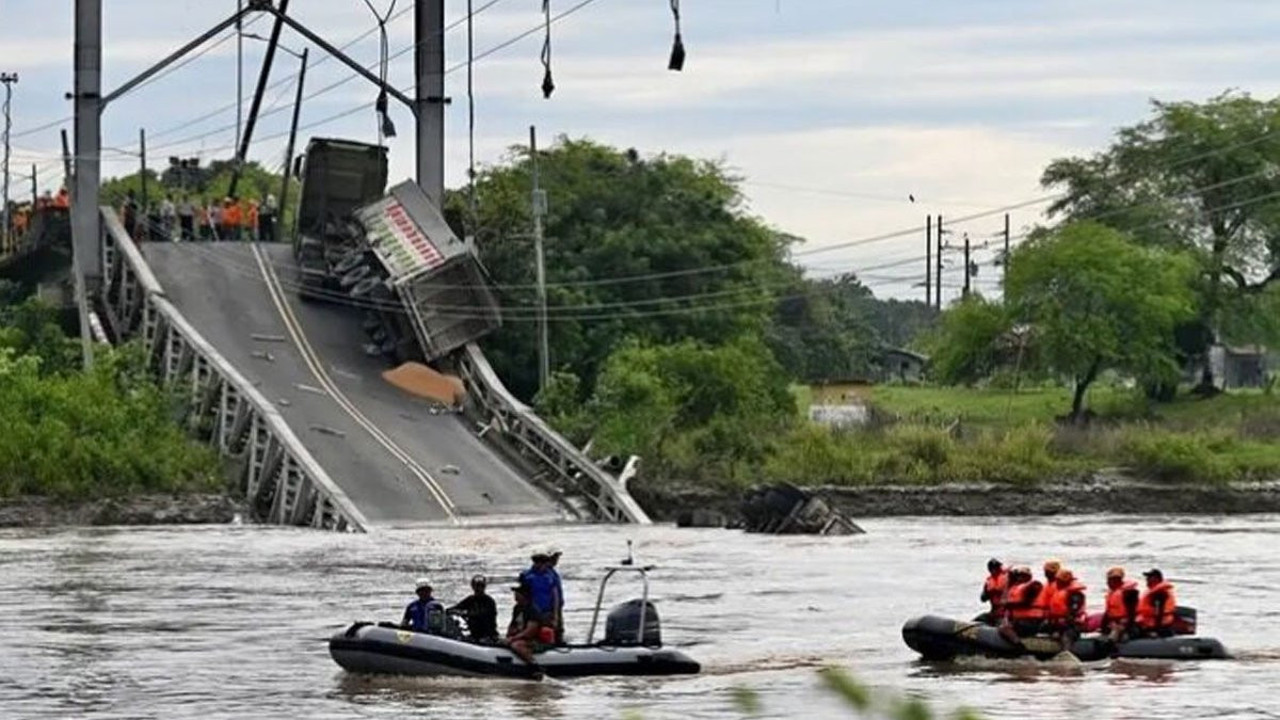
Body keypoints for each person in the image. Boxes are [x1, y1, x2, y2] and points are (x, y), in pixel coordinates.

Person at [505, 582, 547, 680]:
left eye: (517, 593)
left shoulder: (532, 610)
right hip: (521, 637)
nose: (515, 595)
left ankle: (535, 666)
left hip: (535, 639)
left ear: (524, 595)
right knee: (508, 642)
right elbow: (512, 625)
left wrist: (514, 638)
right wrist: (508, 637)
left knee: (516, 645)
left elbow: (530, 631)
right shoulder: (517, 608)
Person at [519, 551, 562, 634]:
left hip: (549, 610)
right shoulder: (527, 576)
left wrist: (556, 614)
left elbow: (555, 595)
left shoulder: (551, 576)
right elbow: (522, 594)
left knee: (552, 631)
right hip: (533, 610)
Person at [1000, 566, 1046, 642]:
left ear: (1029, 576)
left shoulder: (1033, 585)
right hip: (1022, 621)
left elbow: (1026, 602)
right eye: (1019, 576)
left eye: (1023, 576)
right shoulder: (1015, 588)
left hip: (1031, 622)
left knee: (1004, 628)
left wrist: (1009, 604)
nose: (1020, 578)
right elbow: (1003, 600)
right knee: (1004, 625)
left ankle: (1019, 646)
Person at [449, 574, 499, 643]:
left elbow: (483, 615)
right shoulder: (470, 600)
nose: (479, 589)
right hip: (474, 634)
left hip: (487, 634)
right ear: (473, 587)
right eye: (477, 586)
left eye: (481, 586)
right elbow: (456, 608)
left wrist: (465, 614)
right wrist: (452, 611)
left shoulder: (489, 601)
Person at [1045, 568, 1087, 642]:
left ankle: (1066, 651)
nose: (1057, 582)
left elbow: (1073, 613)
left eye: (1059, 580)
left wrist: (1059, 628)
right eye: (1057, 580)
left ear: (1066, 581)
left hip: (1072, 624)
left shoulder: (1075, 594)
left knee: (1066, 636)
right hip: (1057, 623)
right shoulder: (1058, 592)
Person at [1135, 568, 1178, 638]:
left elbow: (1159, 612)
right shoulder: (1152, 591)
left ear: (1156, 579)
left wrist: (1156, 630)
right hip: (1149, 623)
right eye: (1147, 577)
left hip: (1159, 625)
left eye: (1149, 577)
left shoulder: (1159, 593)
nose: (1147, 579)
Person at [1101, 566, 1140, 642]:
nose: (1108, 583)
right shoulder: (1112, 593)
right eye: (1108, 580)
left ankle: (1111, 644)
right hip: (1113, 623)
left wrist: (1126, 625)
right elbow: (1108, 612)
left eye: (1110, 580)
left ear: (1118, 580)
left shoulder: (1128, 593)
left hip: (1123, 624)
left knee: (1114, 636)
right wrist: (1103, 627)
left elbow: (1132, 613)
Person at [547, 549, 566, 644]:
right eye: (554, 558)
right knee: (554, 628)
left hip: (557, 607)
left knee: (559, 629)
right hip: (550, 608)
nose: (556, 560)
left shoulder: (553, 573)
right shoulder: (546, 575)